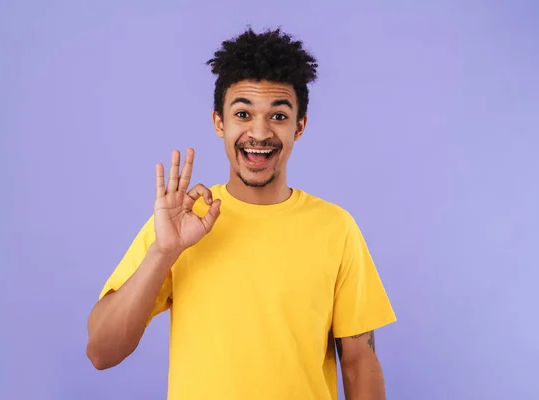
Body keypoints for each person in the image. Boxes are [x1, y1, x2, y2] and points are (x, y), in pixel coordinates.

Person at [86, 27, 397, 400]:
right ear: (220, 122)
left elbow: (359, 362)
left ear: (300, 126)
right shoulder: (184, 221)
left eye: (278, 116)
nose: (260, 132)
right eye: (243, 113)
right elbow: (101, 353)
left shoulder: (336, 228)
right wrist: (163, 252)